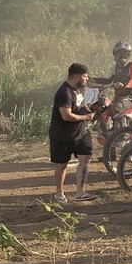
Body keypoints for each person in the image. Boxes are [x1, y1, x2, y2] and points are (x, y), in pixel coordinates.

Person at [48, 63, 98, 204]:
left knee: (85, 158)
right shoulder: (64, 93)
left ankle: (80, 192)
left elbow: (82, 104)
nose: (87, 79)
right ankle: (59, 193)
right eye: (84, 76)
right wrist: (85, 117)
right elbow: (66, 115)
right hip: (62, 136)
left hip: (80, 133)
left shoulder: (80, 88)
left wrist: (90, 111)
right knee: (62, 165)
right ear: (75, 76)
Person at [92, 40, 132, 115]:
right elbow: (108, 80)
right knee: (100, 108)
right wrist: (91, 79)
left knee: (116, 108)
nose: (122, 57)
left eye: (125, 54)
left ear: (129, 54)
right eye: (120, 54)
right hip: (118, 98)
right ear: (115, 55)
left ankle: (119, 123)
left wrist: (123, 84)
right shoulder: (115, 66)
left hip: (131, 98)